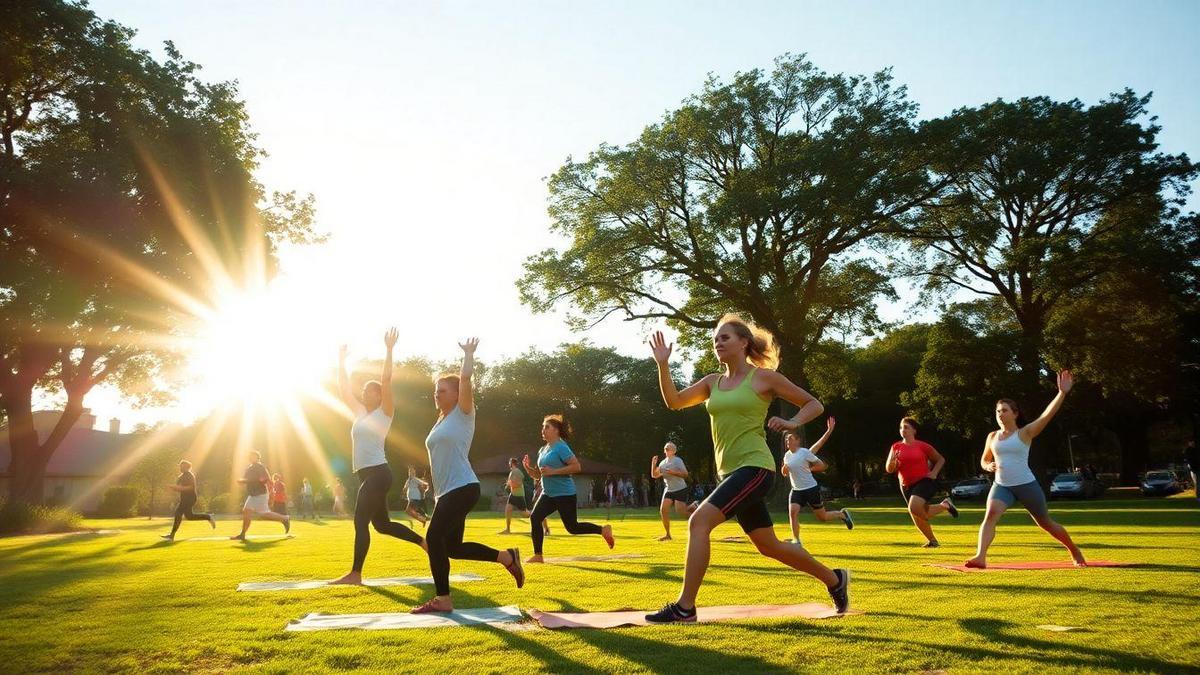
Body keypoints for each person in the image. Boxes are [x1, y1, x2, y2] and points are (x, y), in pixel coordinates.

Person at [644, 316, 850, 623]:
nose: (718, 342)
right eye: (715, 339)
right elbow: (674, 402)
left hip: (755, 468)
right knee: (769, 545)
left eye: (725, 337)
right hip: (731, 473)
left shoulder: (763, 378)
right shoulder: (712, 382)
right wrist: (663, 364)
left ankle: (685, 607)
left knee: (698, 522)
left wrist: (793, 422)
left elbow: (813, 404)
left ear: (744, 342)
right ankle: (835, 579)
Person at [412, 337, 524, 613]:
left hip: (462, 487)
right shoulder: (440, 421)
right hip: (446, 491)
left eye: (442, 390)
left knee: (434, 537)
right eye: (435, 391)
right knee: (452, 547)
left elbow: (465, 378)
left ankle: (443, 599)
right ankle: (506, 557)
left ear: (456, 393)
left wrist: (468, 356)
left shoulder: (463, 413)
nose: (436, 395)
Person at [330, 329, 426, 585]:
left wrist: (389, 349)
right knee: (382, 525)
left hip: (378, 473)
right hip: (367, 475)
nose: (364, 393)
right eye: (363, 390)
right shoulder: (360, 412)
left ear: (379, 395)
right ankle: (423, 542)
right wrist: (341, 361)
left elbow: (386, 380)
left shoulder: (385, 413)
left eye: (369, 390)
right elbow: (342, 388)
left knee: (360, 521)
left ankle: (355, 574)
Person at [966, 371, 1087, 568]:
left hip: (1026, 485)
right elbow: (984, 460)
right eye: (998, 411)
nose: (1000, 414)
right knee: (990, 515)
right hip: (1002, 486)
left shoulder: (1025, 433)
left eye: (1004, 410)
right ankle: (980, 557)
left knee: (1045, 523)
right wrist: (988, 466)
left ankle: (1073, 549)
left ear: (1015, 414)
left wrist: (1061, 393)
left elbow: (1046, 415)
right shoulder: (992, 436)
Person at [523, 414, 614, 563]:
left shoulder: (561, 447)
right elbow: (540, 475)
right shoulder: (543, 449)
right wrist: (528, 469)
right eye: (543, 427)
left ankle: (603, 530)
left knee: (572, 528)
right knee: (535, 517)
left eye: (547, 427)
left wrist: (553, 472)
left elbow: (576, 466)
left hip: (564, 494)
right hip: (548, 494)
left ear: (557, 430)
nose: (543, 430)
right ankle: (538, 555)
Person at [885, 417, 958, 547]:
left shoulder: (922, 446)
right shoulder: (896, 446)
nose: (903, 430)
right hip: (905, 485)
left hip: (923, 481)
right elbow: (889, 469)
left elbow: (940, 459)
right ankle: (933, 540)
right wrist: (893, 463)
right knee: (916, 514)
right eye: (901, 428)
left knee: (914, 508)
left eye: (906, 427)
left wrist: (934, 473)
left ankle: (944, 506)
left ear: (914, 430)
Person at [781, 417, 853, 544]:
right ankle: (796, 540)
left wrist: (829, 431)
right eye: (787, 439)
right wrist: (784, 470)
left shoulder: (804, 452)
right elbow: (784, 473)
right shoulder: (787, 456)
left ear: (798, 441)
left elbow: (822, 465)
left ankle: (842, 515)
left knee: (822, 517)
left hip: (811, 489)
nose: (788, 441)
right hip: (796, 490)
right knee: (792, 513)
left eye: (790, 439)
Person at [230, 451, 290, 540]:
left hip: (260, 494)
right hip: (252, 495)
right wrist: (241, 481)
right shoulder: (249, 468)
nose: (250, 457)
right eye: (250, 456)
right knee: (246, 511)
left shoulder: (260, 466)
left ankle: (285, 518)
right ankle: (242, 534)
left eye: (253, 456)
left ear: (258, 458)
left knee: (264, 514)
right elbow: (247, 479)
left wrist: (271, 492)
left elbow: (267, 479)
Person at [651, 442, 698, 541]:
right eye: (665, 448)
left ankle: (697, 520)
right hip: (669, 489)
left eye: (668, 448)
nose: (666, 450)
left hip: (680, 488)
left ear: (674, 451)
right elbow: (654, 476)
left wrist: (673, 473)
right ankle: (668, 535)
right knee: (663, 510)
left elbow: (685, 474)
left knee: (681, 512)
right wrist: (653, 464)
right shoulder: (662, 463)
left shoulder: (678, 461)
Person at [161, 460, 215, 540]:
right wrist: (171, 488)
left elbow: (191, 487)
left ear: (187, 467)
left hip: (190, 498)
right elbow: (177, 487)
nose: (180, 468)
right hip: (184, 499)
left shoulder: (190, 475)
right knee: (190, 516)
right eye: (179, 466)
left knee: (178, 513)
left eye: (181, 466)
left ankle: (171, 536)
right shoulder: (181, 476)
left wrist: (178, 488)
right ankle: (208, 517)